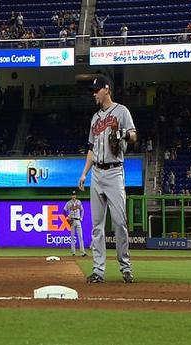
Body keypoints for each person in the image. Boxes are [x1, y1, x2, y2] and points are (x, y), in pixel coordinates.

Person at [78, 75, 137, 284]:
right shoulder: (94, 119)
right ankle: (98, 271)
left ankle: (126, 267)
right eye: (92, 91)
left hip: (114, 172)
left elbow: (134, 135)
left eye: (96, 90)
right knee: (97, 226)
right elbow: (91, 149)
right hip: (96, 173)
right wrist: (84, 173)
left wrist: (122, 134)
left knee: (120, 223)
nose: (94, 94)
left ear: (107, 89)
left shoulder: (121, 111)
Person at [63, 190, 87, 257]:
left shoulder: (79, 202)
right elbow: (64, 211)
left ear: (76, 196)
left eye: (74, 195)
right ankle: (73, 252)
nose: (73, 196)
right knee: (72, 237)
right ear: (71, 196)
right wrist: (68, 217)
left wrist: (81, 218)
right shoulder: (68, 203)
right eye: (72, 195)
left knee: (80, 236)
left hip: (78, 220)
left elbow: (82, 210)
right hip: (72, 221)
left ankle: (83, 252)